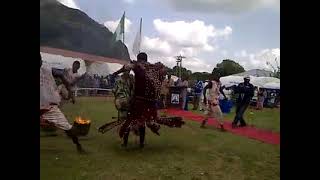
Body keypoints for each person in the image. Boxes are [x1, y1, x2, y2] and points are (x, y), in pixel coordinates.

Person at [40, 54, 85, 153]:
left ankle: (79, 146)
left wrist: (70, 91)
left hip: (49, 106)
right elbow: (61, 74)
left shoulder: (47, 69)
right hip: (50, 102)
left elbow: (61, 75)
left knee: (68, 128)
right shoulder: (65, 70)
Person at [112, 71, 135, 147]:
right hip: (122, 104)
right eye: (126, 71)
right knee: (123, 122)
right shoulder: (119, 81)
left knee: (126, 123)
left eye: (128, 71)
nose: (127, 73)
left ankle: (125, 141)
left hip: (128, 103)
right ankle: (124, 141)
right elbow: (114, 91)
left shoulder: (130, 80)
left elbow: (133, 91)